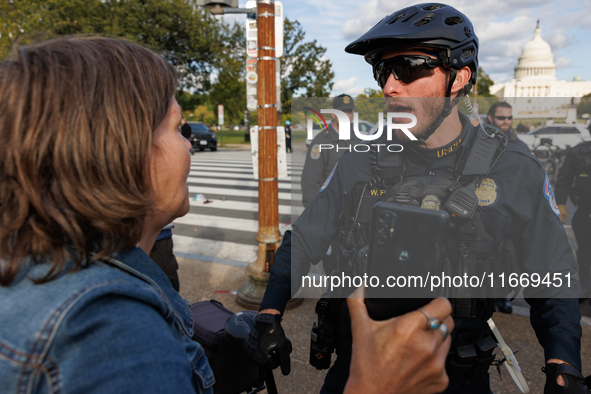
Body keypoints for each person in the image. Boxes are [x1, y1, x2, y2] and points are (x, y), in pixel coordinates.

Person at [0, 36, 454, 394]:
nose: (188, 146)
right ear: (121, 154)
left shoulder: (51, 275)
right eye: (178, 128)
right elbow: (309, 231)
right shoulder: (112, 337)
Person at [248, 4, 587, 394]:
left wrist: (563, 365)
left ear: (459, 77)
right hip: (361, 367)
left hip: (458, 376)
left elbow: (553, 273)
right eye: (382, 71)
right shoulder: (362, 159)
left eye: (408, 67)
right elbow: (306, 237)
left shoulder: (514, 168)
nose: (390, 86)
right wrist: (269, 313)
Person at [555, 125, 591, 301]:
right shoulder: (578, 153)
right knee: (585, 251)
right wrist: (560, 203)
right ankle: (586, 288)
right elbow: (563, 180)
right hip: (585, 210)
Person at [301, 94, 355, 207]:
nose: (346, 116)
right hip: (330, 208)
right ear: (333, 113)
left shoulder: (358, 140)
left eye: (349, 112)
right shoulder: (321, 142)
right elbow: (310, 182)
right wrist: (315, 213)